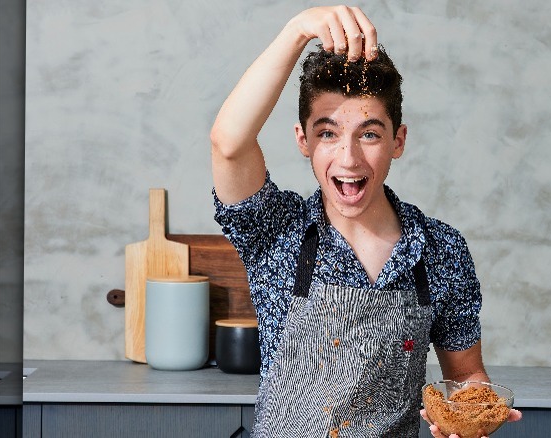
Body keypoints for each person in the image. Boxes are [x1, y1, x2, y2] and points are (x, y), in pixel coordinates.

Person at [210, 5, 522, 437]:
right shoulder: (277, 231)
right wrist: (298, 30)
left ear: (398, 141)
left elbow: (467, 377)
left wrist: (472, 417)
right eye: (328, 133)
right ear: (304, 140)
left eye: (369, 134)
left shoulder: (440, 249)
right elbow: (228, 143)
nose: (349, 158)